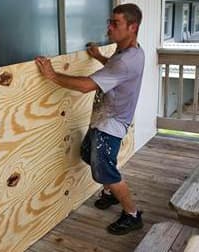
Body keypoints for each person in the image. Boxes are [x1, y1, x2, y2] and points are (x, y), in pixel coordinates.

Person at [35, 3, 144, 235]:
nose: (109, 29)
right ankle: (109, 192)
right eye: (109, 22)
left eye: (115, 24)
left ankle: (132, 215)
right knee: (87, 154)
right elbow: (115, 71)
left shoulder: (126, 59)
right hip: (105, 116)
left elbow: (86, 86)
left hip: (111, 123)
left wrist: (52, 75)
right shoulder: (129, 51)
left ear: (132, 27)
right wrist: (99, 56)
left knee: (106, 170)